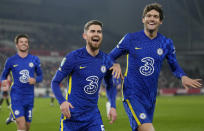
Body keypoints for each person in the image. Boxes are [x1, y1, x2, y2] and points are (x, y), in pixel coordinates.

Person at [108, 3, 202, 131]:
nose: (152, 19)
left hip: (151, 97)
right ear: (143, 19)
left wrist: (183, 76)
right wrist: (114, 64)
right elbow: (108, 57)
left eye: (156, 16)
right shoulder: (131, 38)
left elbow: (174, 65)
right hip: (132, 94)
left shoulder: (166, 43)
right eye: (149, 16)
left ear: (160, 21)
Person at [51, 20, 122, 131]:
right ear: (85, 35)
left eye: (99, 32)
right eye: (92, 31)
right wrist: (62, 102)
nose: (96, 34)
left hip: (93, 118)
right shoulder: (73, 57)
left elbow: (110, 85)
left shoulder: (106, 59)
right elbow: (55, 82)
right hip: (72, 117)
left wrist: (112, 105)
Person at [0, 34, 43, 131]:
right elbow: (3, 75)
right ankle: (15, 115)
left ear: (28, 44)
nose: (24, 44)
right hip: (16, 96)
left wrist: (35, 80)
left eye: (26, 42)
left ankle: (13, 116)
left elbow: (41, 76)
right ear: (16, 45)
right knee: (22, 125)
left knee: (26, 128)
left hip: (29, 98)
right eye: (21, 42)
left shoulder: (35, 59)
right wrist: (3, 80)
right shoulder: (11, 60)